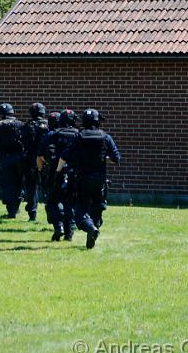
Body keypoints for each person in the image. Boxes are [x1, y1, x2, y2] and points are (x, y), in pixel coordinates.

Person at [57, 109, 120, 249]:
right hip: (99, 179)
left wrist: (57, 172)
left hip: (82, 178)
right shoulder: (105, 137)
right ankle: (94, 229)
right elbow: (116, 158)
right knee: (97, 206)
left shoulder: (79, 136)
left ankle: (90, 228)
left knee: (80, 209)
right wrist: (103, 158)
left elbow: (65, 155)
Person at [38, 109, 79, 241]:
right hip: (74, 174)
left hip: (54, 173)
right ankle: (69, 233)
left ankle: (58, 227)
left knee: (52, 202)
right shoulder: (79, 134)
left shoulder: (51, 134)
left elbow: (39, 156)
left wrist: (40, 170)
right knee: (70, 204)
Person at [0, 103, 26, 218]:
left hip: (5, 158)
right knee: (18, 182)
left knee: (7, 184)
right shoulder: (20, 124)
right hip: (19, 158)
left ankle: (11, 211)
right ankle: (17, 206)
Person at [21, 102, 49, 221]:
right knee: (48, 187)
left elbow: (21, 141)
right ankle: (52, 215)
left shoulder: (26, 126)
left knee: (31, 187)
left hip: (30, 159)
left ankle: (32, 213)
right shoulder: (48, 125)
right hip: (45, 160)